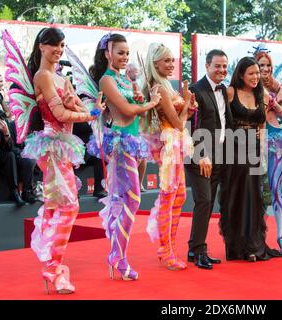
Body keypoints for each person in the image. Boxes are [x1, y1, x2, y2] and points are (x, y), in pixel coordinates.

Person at [20, 27, 103, 294]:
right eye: (53, 44)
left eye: (62, 44)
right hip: (51, 146)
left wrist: (82, 108)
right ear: (41, 47)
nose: (58, 49)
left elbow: (76, 108)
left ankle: (52, 264)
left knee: (60, 207)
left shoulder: (60, 78)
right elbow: (61, 114)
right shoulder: (43, 76)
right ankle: (53, 268)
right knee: (68, 206)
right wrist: (88, 113)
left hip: (63, 147)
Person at [87, 34, 160, 280]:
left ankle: (117, 255)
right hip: (120, 143)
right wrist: (150, 104)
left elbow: (132, 110)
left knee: (127, 200)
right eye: (120, 52)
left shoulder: (125, 79)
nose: (125, 57)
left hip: (133, 141)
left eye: (127, 53)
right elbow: (127, 111)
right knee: (133, 200)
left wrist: (138, 97)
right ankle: (118, 257)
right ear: (107, 53)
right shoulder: (107, 80)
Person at [220, 56, 282, 262]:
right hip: (233, 149)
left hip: (254, 149)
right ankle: (237, 247)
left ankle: (253, 245)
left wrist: (261, 152)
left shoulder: (261, 94)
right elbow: (221, 122)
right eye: (252, 73)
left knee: (254, 197)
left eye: (258, 73)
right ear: (240, 74)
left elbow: (262, 125)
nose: (256, 77)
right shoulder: (229, 93)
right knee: (236, 197)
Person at [145, 43, 196, 270]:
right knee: (170, 196)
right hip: (168, 145)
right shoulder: (161, 87)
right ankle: (166, 250)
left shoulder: (166, 85)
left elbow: (181, 118)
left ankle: (169, 247)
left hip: (173, 144)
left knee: (179, 195)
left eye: (173, 60)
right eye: (166, 61)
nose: (171, 64)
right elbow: (177, 123)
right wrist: (186, 109)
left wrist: (186, 104)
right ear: (155, 63)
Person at [185, 49, 233, 269]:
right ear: (207, 66)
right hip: (199, 156)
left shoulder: (223, 90)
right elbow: (192, 126)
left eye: (224, 66)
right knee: (204, 200)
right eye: (217, 66)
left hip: (219, 155)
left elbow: (224, 123)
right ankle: (197, 250)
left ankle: (196, 249)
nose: (222, 70)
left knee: (207, 202)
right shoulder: (195, 90)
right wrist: (201, 155)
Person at [255, 51, 282, 256]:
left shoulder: (277, 86)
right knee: (255, 191)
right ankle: (256, 237)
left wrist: (277, 101)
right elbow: (255, 115)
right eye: (261, 65)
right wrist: (271, 101)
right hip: (255, 140)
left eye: (267, 66)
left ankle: (281, 237)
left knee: (276, 188)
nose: (265, 69)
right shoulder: (250, 88)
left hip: (276, 139)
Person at [0, 101, 25, 207]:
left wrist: (6, 134)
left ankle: (14, 192)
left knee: (10, 155)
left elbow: (10, 148)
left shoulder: (4, 124)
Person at [126, 63, 148, 193]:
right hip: (124, 129)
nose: (138, 74)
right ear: (128, 71)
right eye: (136, 71)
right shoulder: (121, 84)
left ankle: (139, 184)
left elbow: (143, 111)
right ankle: (130, 186)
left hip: (137, 126)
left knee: (142, 157)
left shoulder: (137, 86)